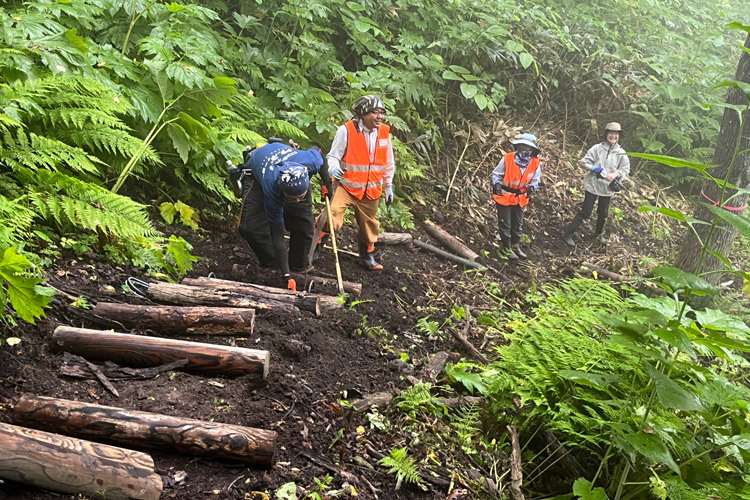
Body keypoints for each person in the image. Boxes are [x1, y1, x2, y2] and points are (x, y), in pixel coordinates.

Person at [312, 94, 395, 270]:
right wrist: (334, 169)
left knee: (369, 224)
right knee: (330, 213)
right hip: (346, 185)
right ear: (363, 114)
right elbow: (333, 156)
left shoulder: (384, 133)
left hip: (371, 189)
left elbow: (388, 162)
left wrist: (389, 186)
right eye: (374, 112)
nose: (379, 116)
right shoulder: (346, 130)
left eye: (382, 112)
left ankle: (367, 256)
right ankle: (314, 246)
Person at [238, 141, 330, 291]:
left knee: (304, 226)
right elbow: (278, 236)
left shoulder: (309, 162)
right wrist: (286, 275)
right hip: (258, 172)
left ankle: (299, 265)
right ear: (282, 191)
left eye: (301, 196)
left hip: (292, 172)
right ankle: (273, 265)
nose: (297, 201)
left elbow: (318, 151)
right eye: (293, 199)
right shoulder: (271, 187)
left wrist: (327, 183)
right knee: (250, 228)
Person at [562, 122, 630, 246]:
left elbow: (625, 170)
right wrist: (594, 168)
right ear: (606, 134)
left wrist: (615, 174)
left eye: (616, 134)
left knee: (603, 213)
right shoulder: (597, 148)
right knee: (586, 211)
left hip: (607, 188)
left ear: (619, 136)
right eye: (611, 133)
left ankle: (598, 235)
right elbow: (583, 162)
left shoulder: (621, 153)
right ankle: (568, 233)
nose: (613, 136)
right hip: (593, 185)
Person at [491, 133, 541, 260]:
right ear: (518, 146)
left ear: (532, 149)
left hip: (521, 197)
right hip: (505, 195)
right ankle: (506, 248)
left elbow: (535, 179)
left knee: (518, 224)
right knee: (505, 223)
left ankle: (515, 246)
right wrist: (496, 185)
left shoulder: (535, 163)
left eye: (527, 147)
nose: (524, 149)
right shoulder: (508, 158)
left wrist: (532, 187)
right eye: (522, 145)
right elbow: (496, 174)